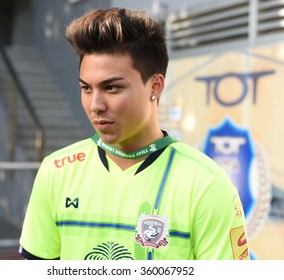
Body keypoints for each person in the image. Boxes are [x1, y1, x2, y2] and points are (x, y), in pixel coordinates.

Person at [19, 7, 249, 260]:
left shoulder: (207, 184)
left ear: (156, 85)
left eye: (112, 88)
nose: (95, 104)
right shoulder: (56, 171)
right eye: (86, 88)